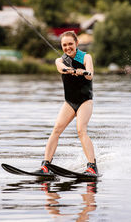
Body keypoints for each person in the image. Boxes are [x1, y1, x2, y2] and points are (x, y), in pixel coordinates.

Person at [38, 31, 98, 175]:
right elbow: (60, 68)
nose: (67, 47)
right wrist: (69, 70)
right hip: (69, 102)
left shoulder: (86, 57)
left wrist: (81, 72)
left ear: (76, 43)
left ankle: (92, 167)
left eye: (70, 44)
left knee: (80, 130)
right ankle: (45, 165)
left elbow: (90, 74)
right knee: (56, 129)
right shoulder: (60, 60)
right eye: (64, 45)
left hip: (85, 101)